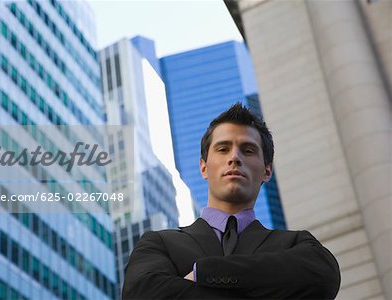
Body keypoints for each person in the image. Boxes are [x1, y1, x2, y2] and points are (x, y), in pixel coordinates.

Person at [122, 103, 341, 299]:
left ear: (267, 170)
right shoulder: (160, 243)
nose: (235, 157)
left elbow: (325, 276)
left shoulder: (297, 244)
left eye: (248, 150)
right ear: (204, 167)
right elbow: (141, 293)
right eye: (223, 149)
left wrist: (205, 272)